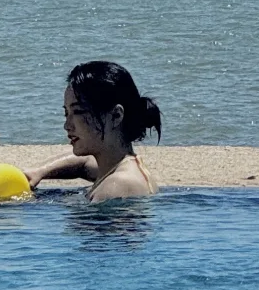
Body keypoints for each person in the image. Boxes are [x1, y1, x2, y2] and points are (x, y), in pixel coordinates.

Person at [25, 61, 161, 202]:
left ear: (116, 116)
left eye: (78, 111)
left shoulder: (116, 186)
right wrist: (39, 171)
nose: (67, 125)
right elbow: (83, 164)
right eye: (66, 113)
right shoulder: (118, 167)